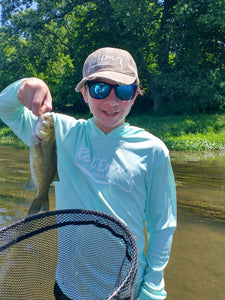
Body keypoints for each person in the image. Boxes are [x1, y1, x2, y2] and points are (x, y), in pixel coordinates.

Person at [0, 47, 177, 299]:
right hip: (68, 285)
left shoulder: (153, 151)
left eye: (124, 90)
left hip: (125, 287)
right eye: (100, 89)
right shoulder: (59, 133)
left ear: (135, 95)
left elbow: (162, 226)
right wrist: (25, 86)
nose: (112, 101)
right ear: (84, 92)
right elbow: (5, 109)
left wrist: (153, 287)